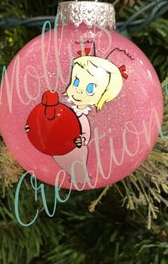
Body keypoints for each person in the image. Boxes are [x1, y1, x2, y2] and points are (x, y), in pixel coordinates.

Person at [53, 53, 126, 186]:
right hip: (60, 145)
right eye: (75, 82)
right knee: (58, 155)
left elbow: (85, 132)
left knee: (79, 155)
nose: (79, 91)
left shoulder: (81, 116)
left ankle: (80, 177)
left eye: (90, 89)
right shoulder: (66, 110)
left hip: (76, 146)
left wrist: (81, 140)